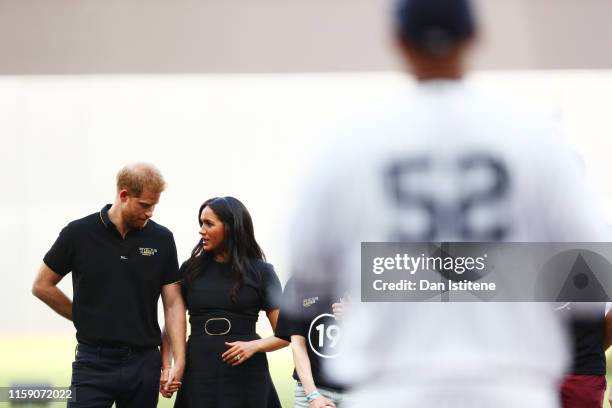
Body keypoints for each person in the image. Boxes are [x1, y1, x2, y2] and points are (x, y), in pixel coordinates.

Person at [287, 0, 611, 407]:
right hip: (510, 386)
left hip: (396, 386)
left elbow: (309, 267)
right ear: (475, 36)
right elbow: (591, 268)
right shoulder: (534, 139)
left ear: (397, 41)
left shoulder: (351, 142)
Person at [31, 163, 186, 408]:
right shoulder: (78, 233)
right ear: (124, 195)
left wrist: (178, 362)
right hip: (93, 362)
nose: (150, 213)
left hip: (144, 363)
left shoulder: (162, 239)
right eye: (145, 205)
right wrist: (80, 316)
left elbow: (174, 304)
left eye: (154, 205)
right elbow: (42, 285)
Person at [165, 196, 288, 407]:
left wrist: (254, 346)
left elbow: (286, 333)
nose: (201, 230)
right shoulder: (190, 270)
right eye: (201, 223)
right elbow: (172, 319)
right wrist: (168, 365)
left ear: (231, 228)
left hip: (246, 374)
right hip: (198, 370)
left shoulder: (262, 272)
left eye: (209, 224)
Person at [276, 276, 346, 408]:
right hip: (312, 391)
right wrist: (312, 394)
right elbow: (297, 344)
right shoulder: (298, 282)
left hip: (359, 394)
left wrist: (357, 317)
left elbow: (387, 338)